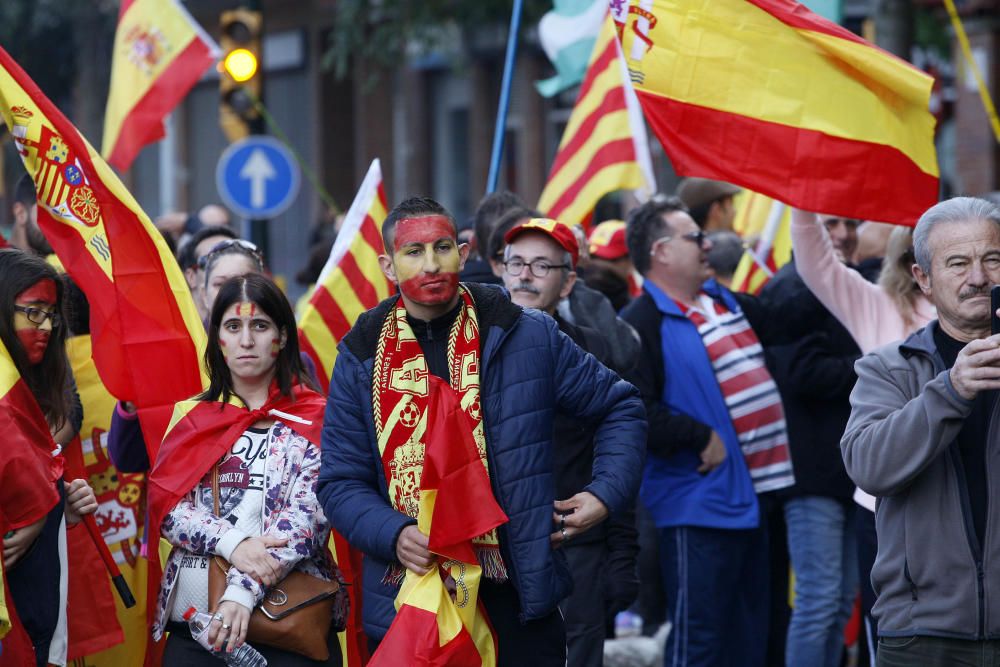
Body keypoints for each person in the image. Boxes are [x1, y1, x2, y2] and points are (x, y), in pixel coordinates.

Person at [318, 196, 645, 665]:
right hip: (411, 604)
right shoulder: (360, 353)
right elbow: (339, 482)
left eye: (442, 247)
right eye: (414, 252)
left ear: (465, 254)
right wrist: (393, 534)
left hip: (518, 599)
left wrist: (604, 495)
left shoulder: (525, 331)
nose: (431, 264)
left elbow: (621, 406)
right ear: (388, 266)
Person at [621, 195, 794, 667]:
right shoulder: (641, 322)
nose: (707, 243)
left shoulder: (722, 300)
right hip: (701, 504)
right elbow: (633, 409)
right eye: (694, 236)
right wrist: (699, 436)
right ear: (660, 252)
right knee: (702, 640)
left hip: (760, 495)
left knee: (754, 635)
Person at [147, 273, 341, 666]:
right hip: (194, 629)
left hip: (290, 623)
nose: (247, 340)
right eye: (233, 327)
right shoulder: (192, 419)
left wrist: (240, 591)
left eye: (260, 326)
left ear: (282, 337)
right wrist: (234, 542)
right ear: (217, 337)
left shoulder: (316, 418)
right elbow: (168, 509)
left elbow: (306, 521)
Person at [841, 196, 1000, 665]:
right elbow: (869, 467)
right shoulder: (888, 368)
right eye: (957, 263)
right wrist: (949, 390)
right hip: (922, 634)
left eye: (993, 259)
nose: (978, 278)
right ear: (923, 280)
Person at [791, 208, 936, 656]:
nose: (966, 274)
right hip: (882, 505)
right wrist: (801, 199)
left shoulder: (982, 312)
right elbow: (816, 264)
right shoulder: (878, 305)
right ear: (908, 264)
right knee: (890, 633)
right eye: (929, 255)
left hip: (956, 498)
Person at [499, 218, 640, 666]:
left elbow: (618, 448)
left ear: (568, 282)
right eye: (516, 262)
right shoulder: (470, 349)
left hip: (571, 544)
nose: (525, 275)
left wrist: (621, 553)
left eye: (542, 266)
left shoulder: (593, 350)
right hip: (490, 550)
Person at [758, 222, 863, 667]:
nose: (842, 234)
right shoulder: (794, 288)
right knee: (820, 602)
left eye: (849, 224)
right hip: (812, 474)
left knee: (838, 602)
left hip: (845, 472)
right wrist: (875, 366)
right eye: (830, 224)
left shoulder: (834, 282)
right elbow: (803, 374)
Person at [0, 249, 97, 665]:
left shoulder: (44, 381)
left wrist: (58, 503)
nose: (46, 327)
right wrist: (43, 499)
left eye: (51, 315)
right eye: (33, 313)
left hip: (40, 620)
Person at [175, 226, 239, 321]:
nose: (226, 270)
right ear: (191, 277)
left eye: (235, 261)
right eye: (211, 260)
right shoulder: (170, 331)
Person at [675, 177, 742, 232]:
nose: (734, 211)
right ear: (717, 210)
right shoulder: (726, 246)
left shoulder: (687, 246)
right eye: (731, 204)